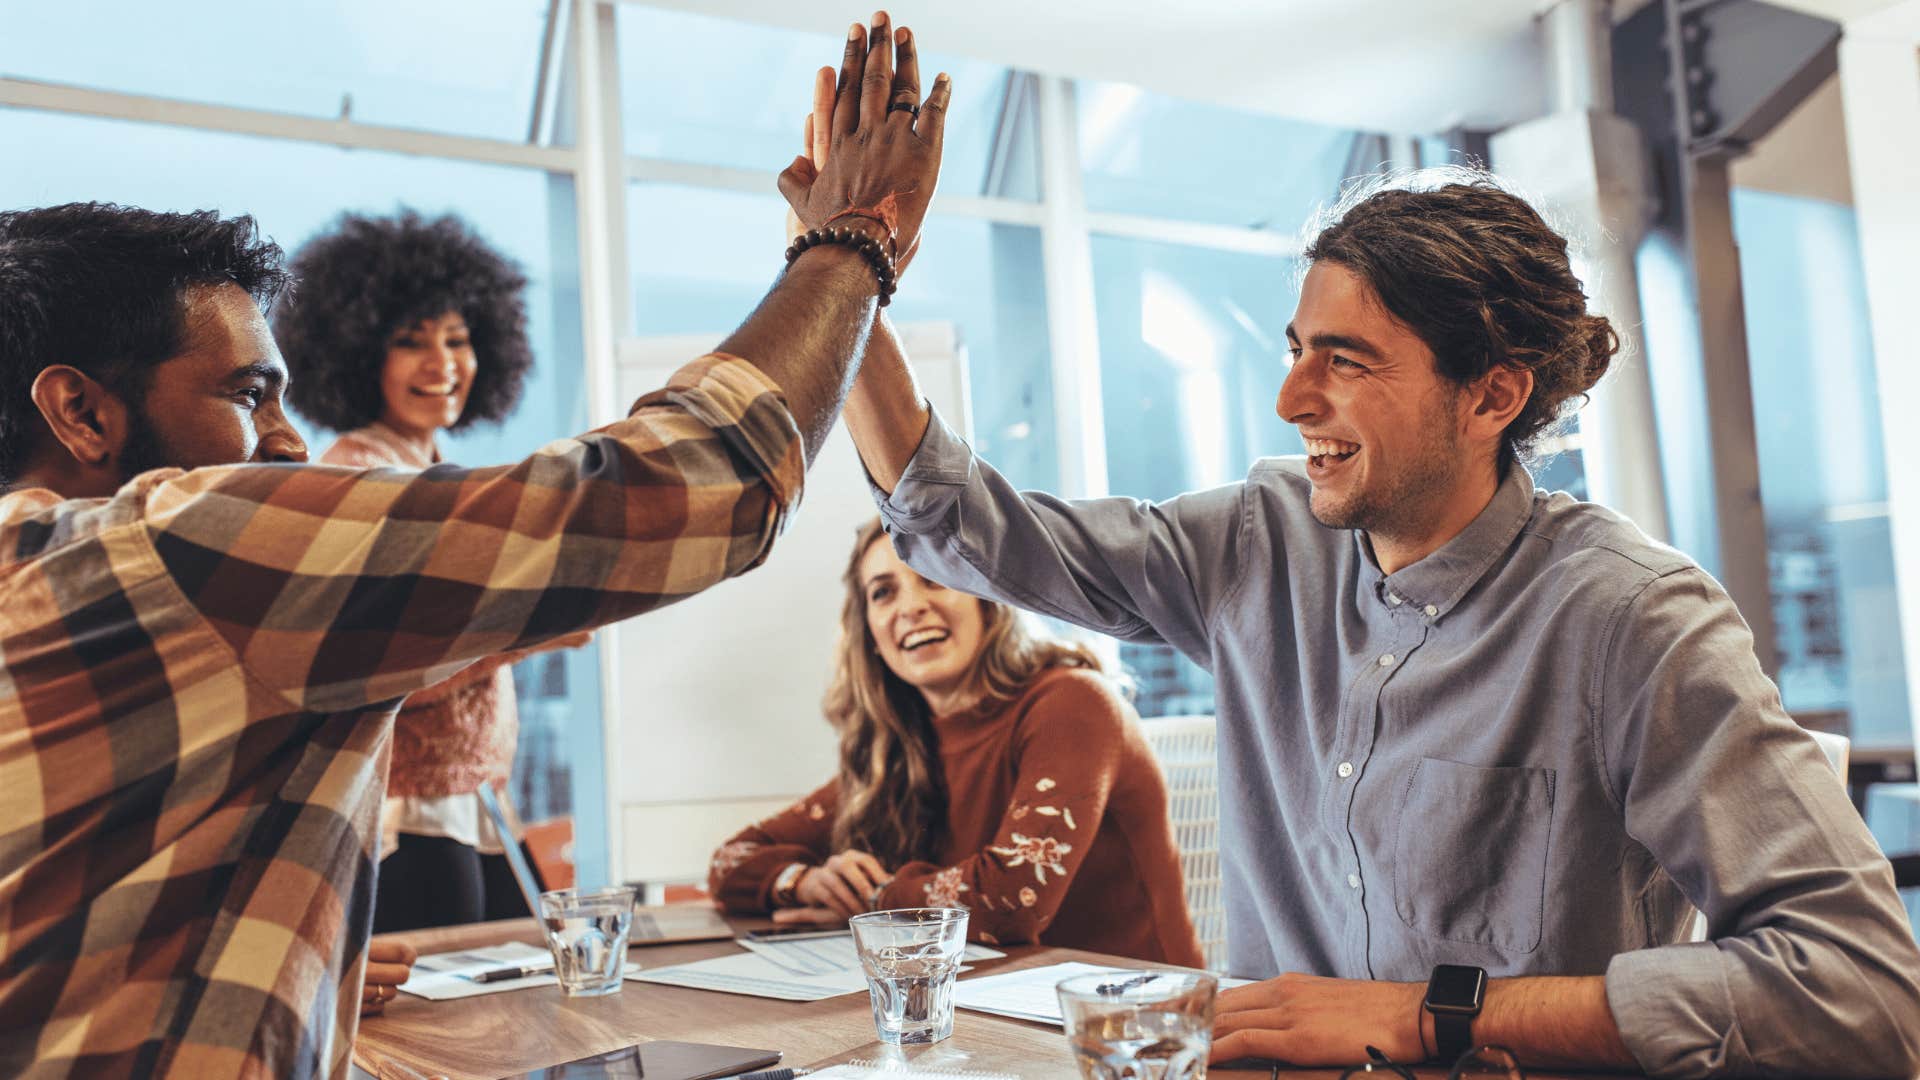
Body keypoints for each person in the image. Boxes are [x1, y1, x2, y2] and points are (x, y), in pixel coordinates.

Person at [784, 28, 1920, 1078]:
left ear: (1491, 395)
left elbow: (1864, 989)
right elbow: (963, 526)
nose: (1289, 398)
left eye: (1346, 360)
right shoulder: (1255, 540)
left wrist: (1428, 1014)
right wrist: (851, 267)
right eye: (1294, 352)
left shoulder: (1633, 621)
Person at [0, 20, 947, 1075]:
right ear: (80, 412)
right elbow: (687, 484)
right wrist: (854, 240)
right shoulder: (172, 548)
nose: (283, 438)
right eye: (245, 395)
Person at [273, 210, 586, 932]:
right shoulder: (360, 475)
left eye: (457, 338)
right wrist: (535, 634)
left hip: (471, 805)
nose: (442, 363)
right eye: (411, 342)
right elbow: (374, 668)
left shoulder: (436, 469)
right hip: (404, 815)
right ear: (355, 357)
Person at [709, 518, 1204, 965]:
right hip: (986, 1016)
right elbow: (732, 859)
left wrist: (869, 903)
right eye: (883, 593)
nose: (912, 606)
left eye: (934, 577)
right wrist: (803, 882)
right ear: (871, 636)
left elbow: (1013, 899)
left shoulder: (1072, 703)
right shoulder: (895, 752)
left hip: (1137, 1029)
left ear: (986, 596)